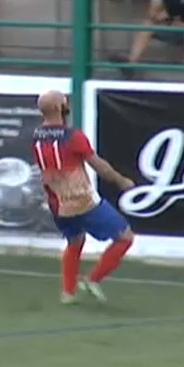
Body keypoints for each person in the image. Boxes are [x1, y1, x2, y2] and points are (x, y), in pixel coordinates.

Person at [31, 90, 136, 304]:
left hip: (56, 202)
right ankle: (93, 279)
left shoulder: (36, 137)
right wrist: (121, 180)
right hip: (81, 200)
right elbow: (99, 166)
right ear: (61, 108)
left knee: (75, 240)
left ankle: (67, 292)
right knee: (125, 237)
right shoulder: (73, 137)